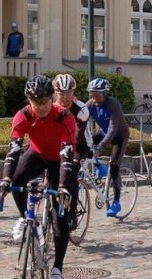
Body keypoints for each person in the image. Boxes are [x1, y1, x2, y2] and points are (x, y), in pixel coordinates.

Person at [0, 75, 76, 279]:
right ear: (28, 101)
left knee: (61, 215)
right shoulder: (22, 116)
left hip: (61, 160)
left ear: (52, 99)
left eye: (44, 102)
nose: (40, 107)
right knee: (17, 179)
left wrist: (62, 187)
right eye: (35, 102)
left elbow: (67, 156)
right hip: (37, 153)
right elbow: (13, 150)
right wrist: (5, 179)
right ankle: (26, 219)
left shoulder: (64, 117)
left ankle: (58, 270)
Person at [53, 73, 93, 231]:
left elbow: (76, 136)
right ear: (55, 92)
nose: (64, 97)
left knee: (72, 169)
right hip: (61, 143)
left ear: (73, 93)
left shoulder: (81, 110)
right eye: (61, 93)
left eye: (68, 93)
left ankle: (72, 212)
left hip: (80, 144)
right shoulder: (51, 106)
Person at [86, 78, 130, 217]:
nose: (94, 97)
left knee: (115, 167)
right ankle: (100, 167)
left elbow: (112, 129)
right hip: (104, 133)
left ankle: (116, 202)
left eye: (97, 95)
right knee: (86, 145)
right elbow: (80, 119)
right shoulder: (91, 104)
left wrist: (101, 146)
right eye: (92, 94)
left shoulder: (113, 104)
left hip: (119, 136)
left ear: (105, 93)